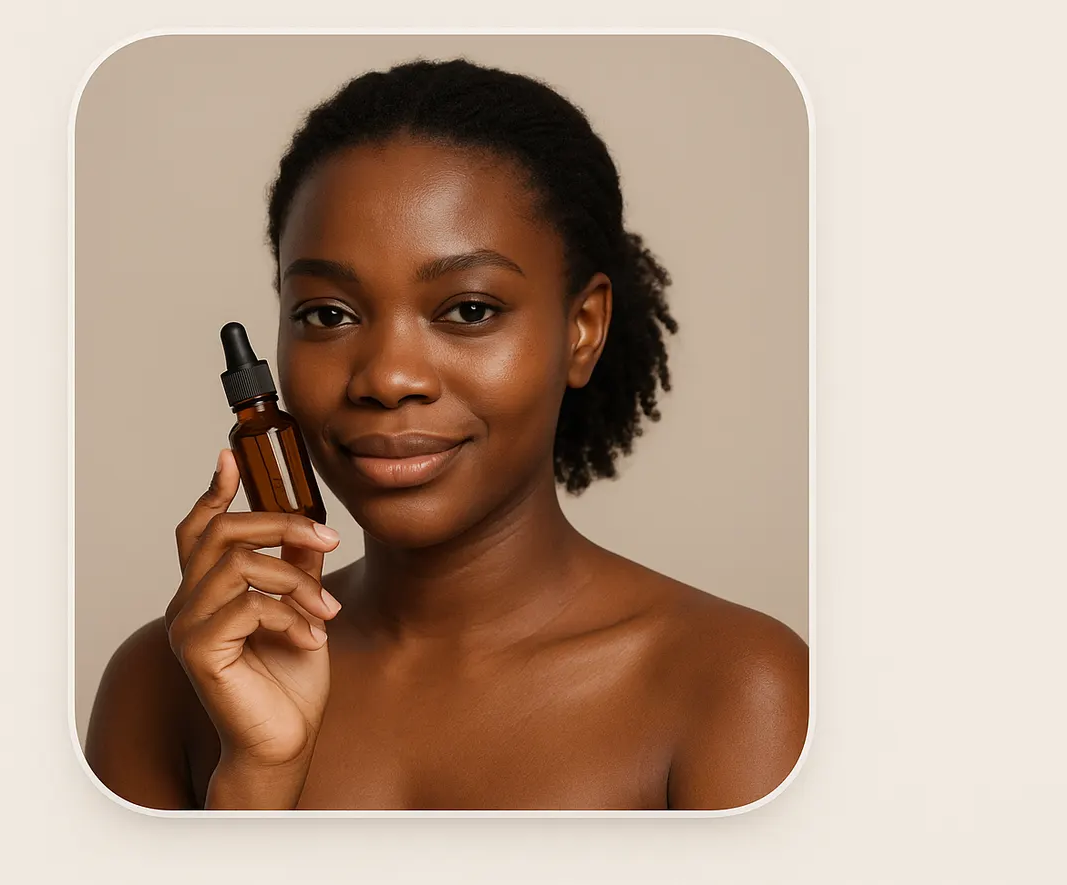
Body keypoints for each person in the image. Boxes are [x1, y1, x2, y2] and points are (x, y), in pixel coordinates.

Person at [84, 58, 809, 810]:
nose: (389, 377)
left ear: (582, 330)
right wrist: (259, 779)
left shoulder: (737, 688)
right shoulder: (165, 685)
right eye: (327, 314)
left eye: (467, 310)